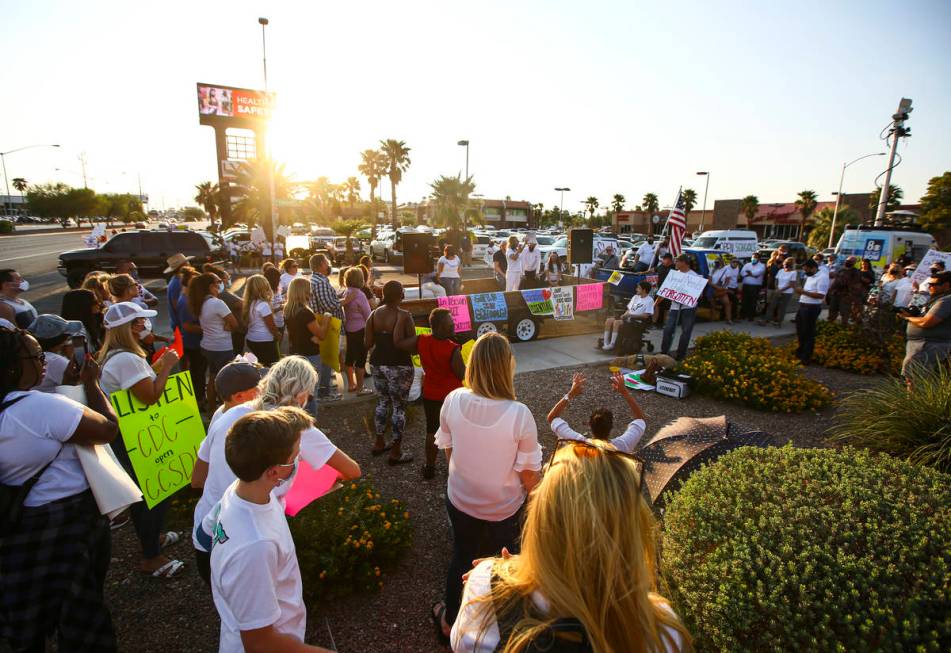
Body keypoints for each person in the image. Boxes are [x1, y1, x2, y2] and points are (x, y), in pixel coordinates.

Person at [450, 433, 689, 653]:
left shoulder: (485, 590)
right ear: (631, 527)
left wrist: (509, 571)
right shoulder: (664, 633)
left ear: (541, 514)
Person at [0, 328, 121, 652]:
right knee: (79, 608)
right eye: (36, 357)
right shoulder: (39, 407)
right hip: (66, 518)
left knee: (29, 607)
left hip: (18, 517)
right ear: (12, 365)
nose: (44, 363)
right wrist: (91, 385)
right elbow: (107, 428)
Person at [193, 357, 360, 585]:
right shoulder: (294, 426)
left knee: (230, 606)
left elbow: (198, 478)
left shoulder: (227, 413)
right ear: (301, 394)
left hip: (207, 531)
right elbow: (352, 470)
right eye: (308, 394)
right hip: (252, 540)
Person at [431, 332, 543, 643]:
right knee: (506, 563)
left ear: (474, 365)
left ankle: (451, 621)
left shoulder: (452, 399)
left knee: (462, 554)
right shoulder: (519, 414)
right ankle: (507, 630)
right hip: (503, 509)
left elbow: (449, 450)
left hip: (460, 499)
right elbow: (529, 478)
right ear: (507, 367)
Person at [204, 408, 336, 653]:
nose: (299, 461)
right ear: (274, 472)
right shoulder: (255, 546)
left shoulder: (241, 490)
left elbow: (207, 531)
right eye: (296, 456)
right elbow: (260, 643)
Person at [97, 302, 184, 577]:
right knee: (153, 494)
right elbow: (149, 396)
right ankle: (151, 557)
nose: (146, 327)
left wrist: (156, 365)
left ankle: (152, 539)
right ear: (130, 327)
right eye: (140, 322)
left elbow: (139, 385)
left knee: (147, 493)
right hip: (134, 437)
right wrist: (168, 366)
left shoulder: (120, 356)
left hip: (130, 435)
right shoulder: (126, 359)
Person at [190, 359, 265, 584]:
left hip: (205, 528)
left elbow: (197, 479)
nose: (263, 392)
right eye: (258, 389)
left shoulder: (220, 414)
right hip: (229, 534)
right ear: (239, 397)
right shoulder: (244, 424)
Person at [394, 307, 465, 480]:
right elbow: (462, 374)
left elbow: (399, 343)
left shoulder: (421, 341)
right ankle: (457, 469)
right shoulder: (453, 349)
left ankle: (429, 466)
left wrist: (399, 321)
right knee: (456, 432)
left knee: (431, 430)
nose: (453, 326)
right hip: (452, 396)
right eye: (450, 324)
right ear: (440, 326)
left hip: (431, 394)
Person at [365, 281, 416, 465]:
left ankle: (379, 442)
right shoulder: (404, 315)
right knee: (399, 407)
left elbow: (368, 343)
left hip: (377, 363)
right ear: (400, 295)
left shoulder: (373, 314)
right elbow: (411, 344)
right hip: (399, 365)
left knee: (382, 402)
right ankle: (396, 451)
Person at [547, 370, 648, 454]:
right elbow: (640, 419)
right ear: (611, 426)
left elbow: (552, 417)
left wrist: (571, 393)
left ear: (589, 424)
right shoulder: (623, 445)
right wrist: (625, 393)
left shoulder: (578, 443)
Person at [284, 277, 331, 417]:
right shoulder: (306, 312)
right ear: (302, 292)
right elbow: (322, 334)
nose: (311, 293)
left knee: (298, 393)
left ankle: (300, 424)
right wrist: (327, 318)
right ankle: (311, 427)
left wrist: (312, 337)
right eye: (309, 290)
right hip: (310, 355)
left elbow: (298, 332)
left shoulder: (288, 309)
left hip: (295, 354)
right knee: (311, 394)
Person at [190, 272, 239, 406]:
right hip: (221, 347)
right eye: (219, 281)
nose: (221, 283)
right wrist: (228, 326)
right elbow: (234, 324)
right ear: (211, 286)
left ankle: (212, 408)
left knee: (212, 376)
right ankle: (227, 408)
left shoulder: (201, 302)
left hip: (208, 345)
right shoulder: (217, 303)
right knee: (226, 380)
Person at [898, 270, 951, 385]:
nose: (929, 287)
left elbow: (926, 322)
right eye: (929, 284)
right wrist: (913, 315)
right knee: (912, 379)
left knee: (916, 380)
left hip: (928, 345)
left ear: (946, 285)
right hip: (922, 345)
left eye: (933, 284)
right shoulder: (936, 299)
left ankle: (913, 403)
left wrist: (908, 318)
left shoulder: (946, 300)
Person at [308, 254, 344, 401]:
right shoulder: (321, 282)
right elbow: (328, 305)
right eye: (327, 262)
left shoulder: (315, 279)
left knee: (326, 357)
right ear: (322, 263)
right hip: (327, 324)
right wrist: (344, 301)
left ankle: (325, 386)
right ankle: (325, 392)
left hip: (322, 322)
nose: (328, 264)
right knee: (327, 358)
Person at [176, 267, 208, 408]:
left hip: (194, 341)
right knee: (197, 372)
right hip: (192, 343)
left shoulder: (187, 298)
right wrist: (208, 329)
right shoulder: (185, 301)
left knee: (198, 371)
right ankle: (199, 399)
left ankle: (199, 397)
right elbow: (187, 326)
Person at [28, 314, 83, 392]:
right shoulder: (55, 361)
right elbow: (84, 386)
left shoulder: (31, 356)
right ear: (60, 341)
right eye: (67, 337)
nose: (68, 339)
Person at [661, 254, 701, 361]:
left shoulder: (694, 276)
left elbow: (699, 294)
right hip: (674, 307)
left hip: (688, 308)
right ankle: (663, 353)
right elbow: (666, 289)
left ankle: (680, 355)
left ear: (684, 262)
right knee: (668, 329)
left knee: (686, 331)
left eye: (677, 261)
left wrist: (687, 294)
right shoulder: (674, 275)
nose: (675, 263)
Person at [341, 267, 372, 394]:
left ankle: (351, 385)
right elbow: (368, 314)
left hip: (349, 329)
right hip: (361, 329)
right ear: (360, 279)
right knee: (361, 360)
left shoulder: (346, 292)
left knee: (349, 358)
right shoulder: (360, 294)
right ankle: (360, 388)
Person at [793, 258, 829, 364]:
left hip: (811, 308)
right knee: (800, 330)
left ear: (813, 268)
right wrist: (801, 292)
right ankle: (800, 351)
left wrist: (803, 292)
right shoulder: (810, 276)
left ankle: (806, 356)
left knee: (808, 332)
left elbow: (821, 295)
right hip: (803, 306)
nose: (805, 272)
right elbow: (807, 291)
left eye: (807, 270)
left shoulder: (822, 277)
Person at [204, 263, 245, 355]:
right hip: (232, 336)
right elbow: (241, 305)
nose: (229, 279)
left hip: (214, 342)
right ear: (220, 280)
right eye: (227, 277)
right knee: (235, 357)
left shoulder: (217, 295)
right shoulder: (222, 295)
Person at [601, 280, 653, 351]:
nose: (636, 289)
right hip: (628, 317)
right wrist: (624, 315)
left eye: (638, 288)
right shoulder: (635, 297)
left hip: (637, 321)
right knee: (609, 320)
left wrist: (631, 315)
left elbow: (646, 315)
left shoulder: (649, 300)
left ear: (644, 290)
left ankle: (612, 344)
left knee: (616, 322)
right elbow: (629, 309)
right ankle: (605, 343)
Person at [242, 274, 281, 366]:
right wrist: (277, 335)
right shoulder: (263, 304)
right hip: (265, 342)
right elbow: (271, 326)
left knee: (256, 367)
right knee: (270, 368)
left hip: (251, 339)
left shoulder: (249, 303)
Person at [62, 288, 105, 353]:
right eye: (94, 302)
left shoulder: (91, 322)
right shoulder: (75, 333)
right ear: (82, 306)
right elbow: (82, 360)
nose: (99, 304)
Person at [761, 257, 797, 327]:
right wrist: (777, 289)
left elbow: (791, 284)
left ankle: (779, 322)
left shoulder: (793, 272)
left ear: (791, 265)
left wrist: (781, 290)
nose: (785, 265)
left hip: (787, 293)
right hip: (777, 291)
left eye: (787, 264)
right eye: (784, 264)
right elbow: (776, 280)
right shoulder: (781, 271)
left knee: (782, 308)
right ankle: (766, 320)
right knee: (771, 305)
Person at [827, 256, 863, 325]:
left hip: (846, 296)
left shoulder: (856, 272)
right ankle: (830, 325)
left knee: (845, 312)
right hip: (835, 294)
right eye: (847, 260)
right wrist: (830, 290)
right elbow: (835, 281)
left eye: (850, 261)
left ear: (854, 263)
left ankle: (844, 327)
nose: (847, 262)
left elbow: (856, 285)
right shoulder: (841, 270)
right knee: (832, 310)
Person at [164, 253, 195, 334]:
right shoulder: (177, 283)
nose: (189, 264)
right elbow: (177, 306)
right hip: (182, 325)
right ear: (183, 266)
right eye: (187, 262)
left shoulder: (178, 279)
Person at [652, 252, 676, 327]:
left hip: (669, 291)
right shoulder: (661, 266)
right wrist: (643, 272)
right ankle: (654, 323)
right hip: (659, 290)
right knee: (656, 306)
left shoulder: (674, 268)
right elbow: (653, 270)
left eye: (664, 259)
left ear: (669, 260)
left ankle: (665, 324)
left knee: (667, 308)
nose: (662, 260)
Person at [739, 253, 765, 320]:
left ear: (759, 258)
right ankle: (743, 315)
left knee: (753, 301)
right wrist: (752, 274)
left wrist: (750, 273)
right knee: (744, 300)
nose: (753, 259)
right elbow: (742, 273)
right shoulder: (747, 265)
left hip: (755, 286)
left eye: (755, 257)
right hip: (746, 285)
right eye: (753, 257)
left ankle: (751, 316)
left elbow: (757, 273)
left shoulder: (762, 266)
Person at [709, 259, 735, 324]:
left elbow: (727, 281)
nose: (717, 263)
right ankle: (713, 318)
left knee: (727, 303)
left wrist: (722, 288)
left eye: (719, 262)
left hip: (722, 289)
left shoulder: (727, 270)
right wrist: (716, 287)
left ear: (722, 263)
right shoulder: (712, 270)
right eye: (716, 262)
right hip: (713, 289)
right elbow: (709, 281)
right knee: (713, 304)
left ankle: (728, 319)